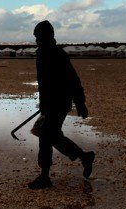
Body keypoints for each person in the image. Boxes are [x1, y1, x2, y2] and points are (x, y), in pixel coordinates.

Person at [27, 20, 95, 190]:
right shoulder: (41, 53)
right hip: (48, 104)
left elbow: (73, 79)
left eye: (38, 37)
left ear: (48, 36)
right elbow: (44, 84)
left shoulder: (58, 54)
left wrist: (80, 103)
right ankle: (84, 157)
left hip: (59, 103)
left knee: (46, 136)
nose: (36, 40)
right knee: (51, 136)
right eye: (35, 37)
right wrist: (43, 104)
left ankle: (45, 176)